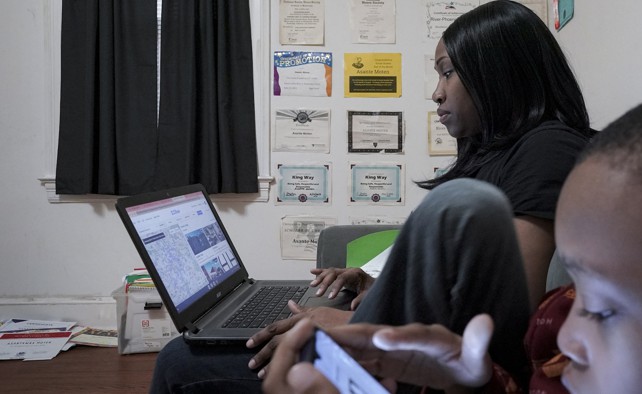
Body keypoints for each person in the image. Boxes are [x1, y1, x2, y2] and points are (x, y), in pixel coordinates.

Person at [262, 71, 642, 393]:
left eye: (604, 312)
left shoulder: (542, 153)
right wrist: (476, 384)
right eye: (576, 296)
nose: (556, 342)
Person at [149, 1, 594, 392]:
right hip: (408, 341)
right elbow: (461, 278)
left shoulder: (547, 149)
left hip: (425, 369)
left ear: (498, 72)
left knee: (179, 361)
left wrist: (347, 325)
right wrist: (381, 285)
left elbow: (500, 320)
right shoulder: (500, 151)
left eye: (447, 72)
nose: (436, 92)